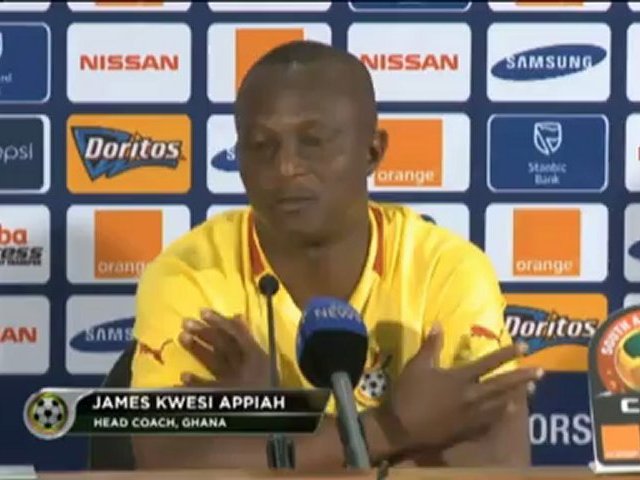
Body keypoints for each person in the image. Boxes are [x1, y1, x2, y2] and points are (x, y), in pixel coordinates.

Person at [129, 40, 543, 470]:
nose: (286, 167)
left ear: (372, 152)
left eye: (313, 142)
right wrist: (394, 428)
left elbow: (499, 460)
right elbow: (167, 460)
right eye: (261, 145)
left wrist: (275, 425)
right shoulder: (189, 273)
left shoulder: (446, 269)